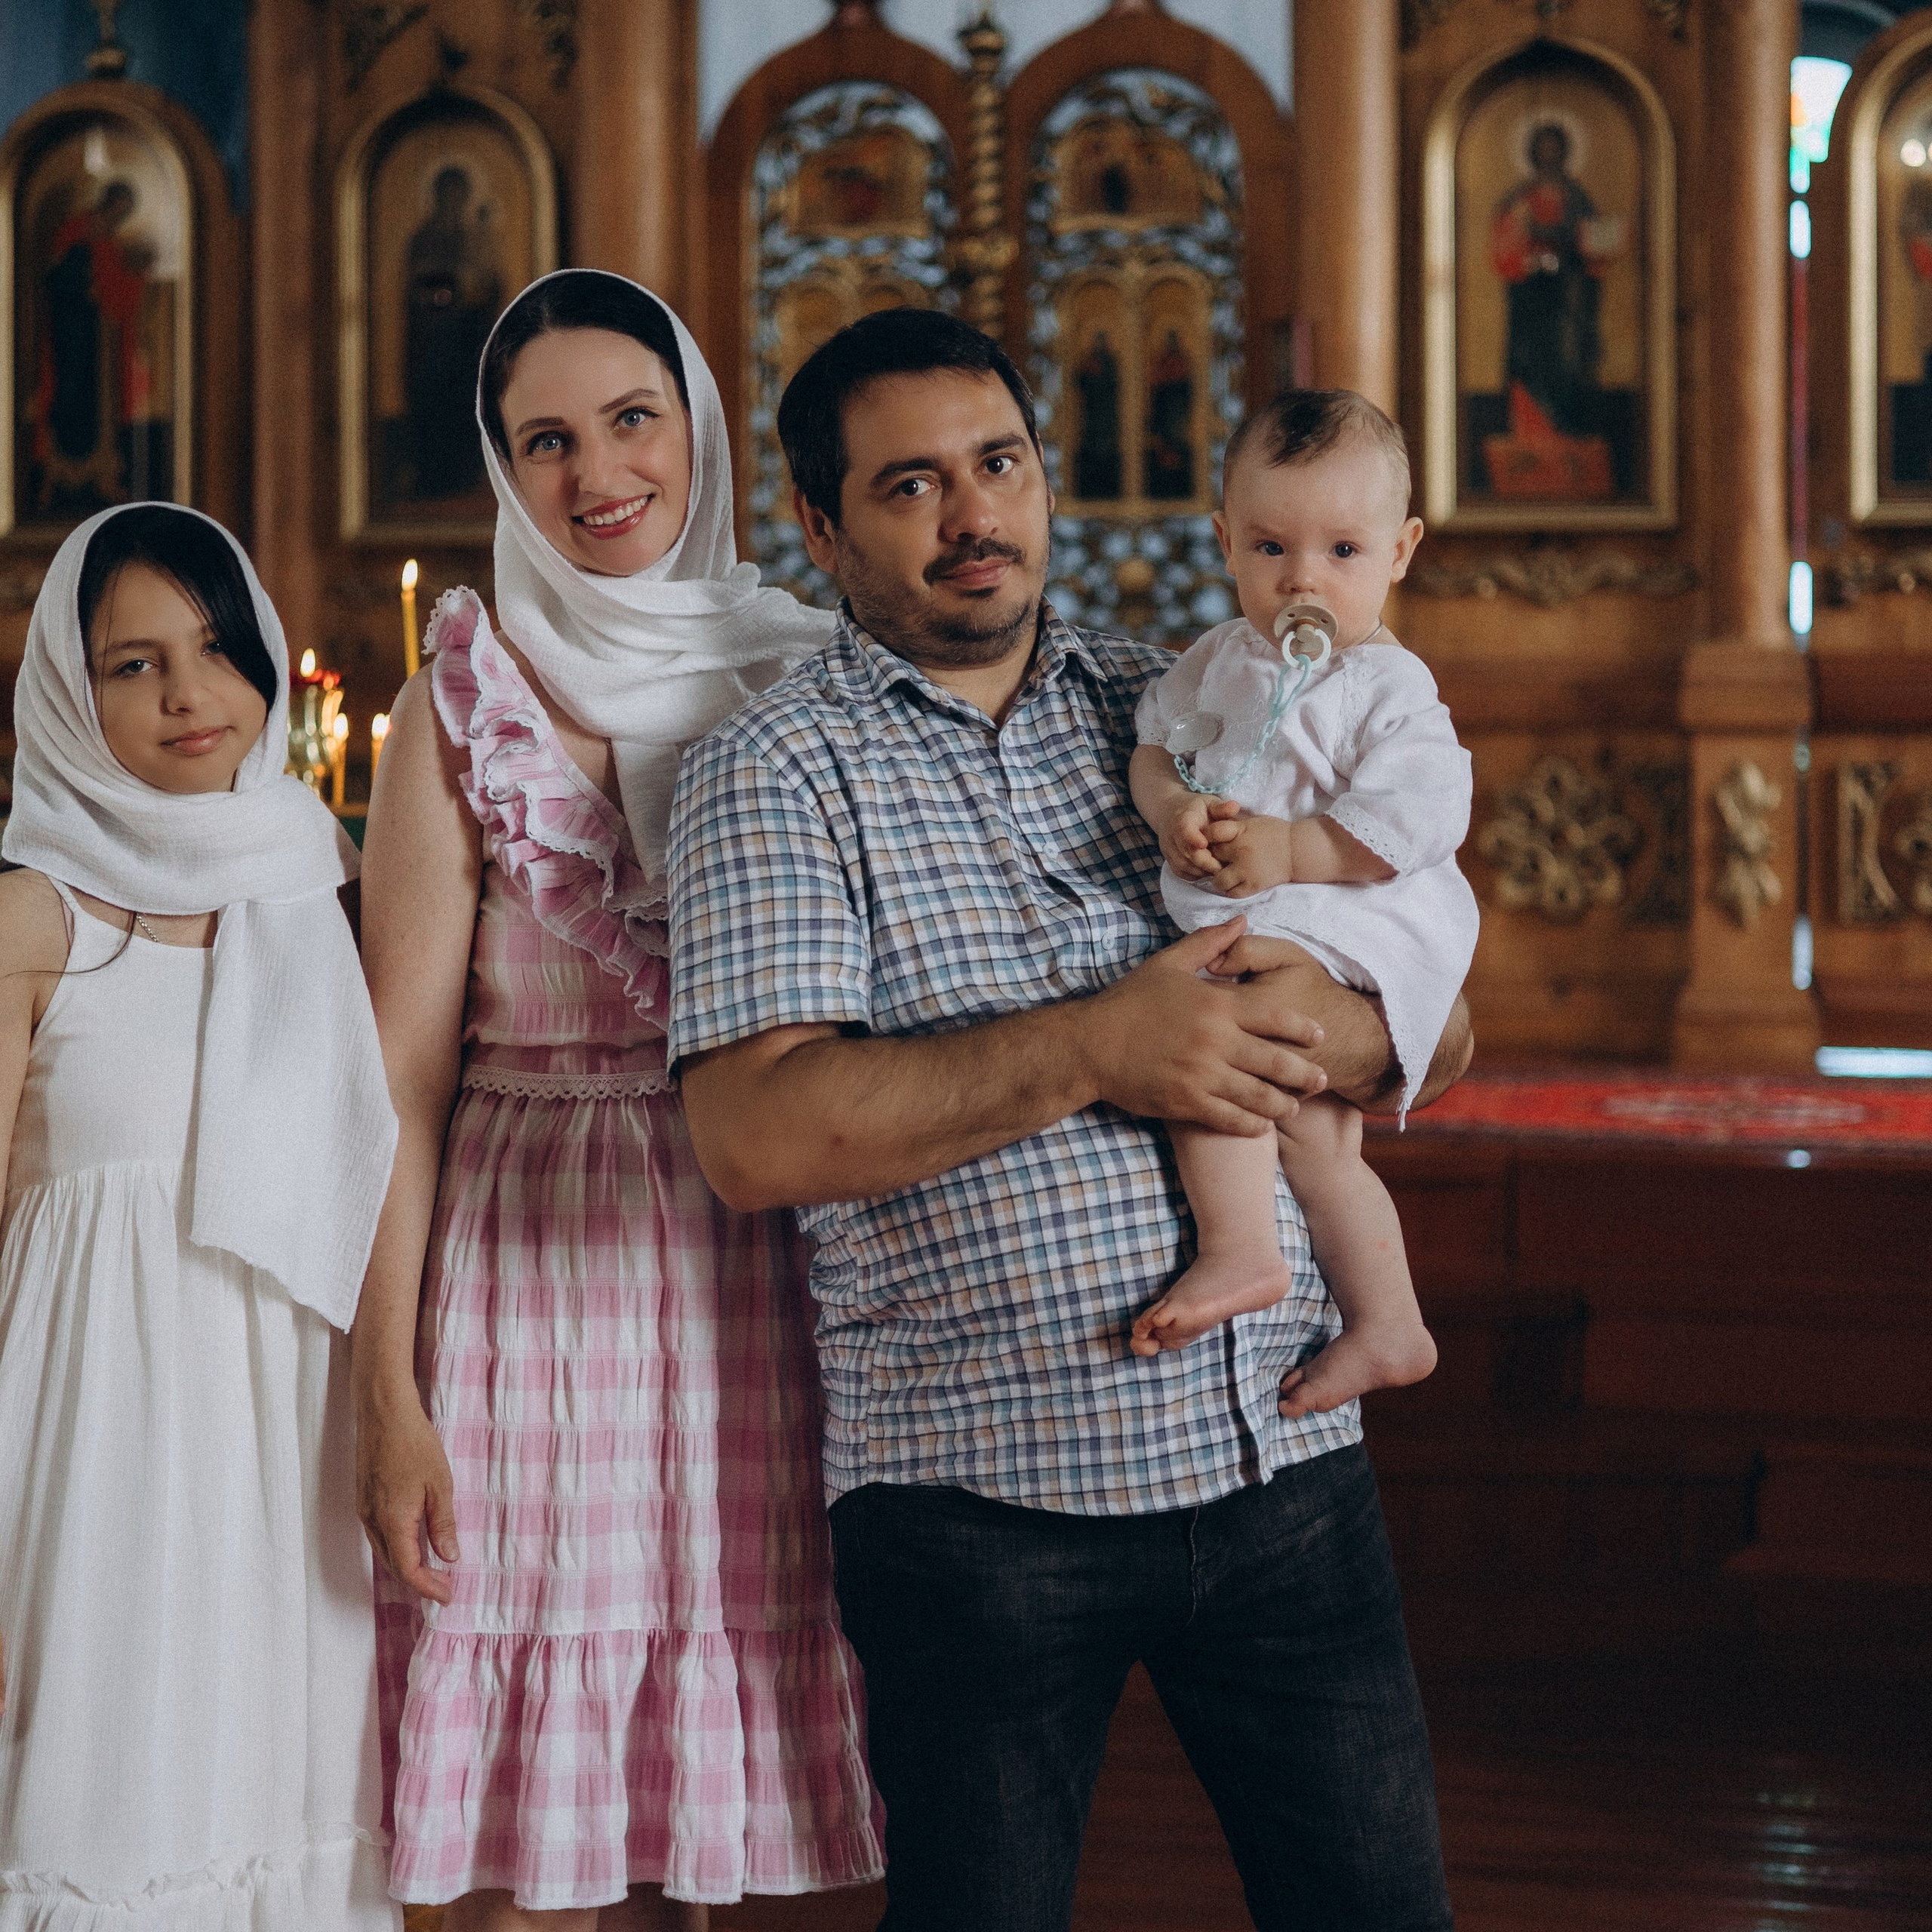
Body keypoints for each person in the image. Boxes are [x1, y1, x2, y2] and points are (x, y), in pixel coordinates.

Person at [668, 306, 1466, 1931]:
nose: (974, 514)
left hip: (1280, 1457)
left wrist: (1343, 1023)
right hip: (980, 1506)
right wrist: (1106, 1046)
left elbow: (1443, 1016)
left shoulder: (1172, 693)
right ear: (816, 524)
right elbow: (756, 1133)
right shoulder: (767, 772)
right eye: (909, 484)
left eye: (999, 463)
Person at [355, 269, 883, 1932]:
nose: (599, 474)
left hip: (766, 1277)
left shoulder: (814, 672)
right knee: (537, 1861)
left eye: (631, 419)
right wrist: (385, 1388)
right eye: (547, 440)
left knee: (683, 1847)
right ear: (503, 470)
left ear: (698, 423)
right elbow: (396, 1082)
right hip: (528, 1284)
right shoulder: (459, 702)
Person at [0, 504, 399, 1928]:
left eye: (219, 650)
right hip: (93, 1428)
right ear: (66, 683)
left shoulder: (318, 889)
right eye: (133, 663)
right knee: (107, 1789)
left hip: (283, 1431)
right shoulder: (37, 914)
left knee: (267, 1789)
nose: (189, 695)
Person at [1125, 389, 1478, 1411]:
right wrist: (1167, 812)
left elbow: (1418, 821)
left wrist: (1291, 847)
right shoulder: (1218, 659)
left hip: (1352, 915)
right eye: (1272, 549)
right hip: (1267, 914)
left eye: (1342, 553)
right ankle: (1390, 1323)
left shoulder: (1386, 685)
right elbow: (1158, 748)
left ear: (1401, 551)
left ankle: (1239, 1249)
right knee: (1320, 1144)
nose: (1302, 582)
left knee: (1208, 1058)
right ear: (1224, 540)